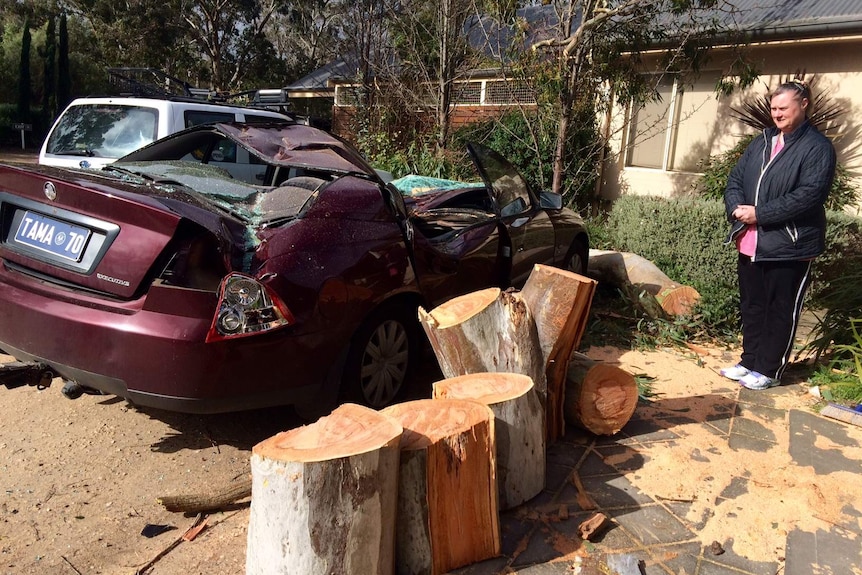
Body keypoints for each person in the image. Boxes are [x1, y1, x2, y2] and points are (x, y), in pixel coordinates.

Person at [720, 79, 836, 390]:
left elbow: (809, 195)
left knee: (780, 309)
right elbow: (734, 180)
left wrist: (760, 214)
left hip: (790, 246)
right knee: (753, 306)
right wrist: (736, 208)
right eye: (773, 108)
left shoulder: (817, 148)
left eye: (783, 108)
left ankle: (770, 369)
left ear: (804, 105)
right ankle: (750, 361)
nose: (776, 114)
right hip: (751, 242)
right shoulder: (762, 141)